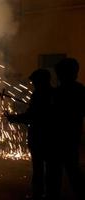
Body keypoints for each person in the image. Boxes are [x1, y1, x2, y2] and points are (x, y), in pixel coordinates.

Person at [5, 69, 54, 200]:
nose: (33, 83)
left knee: (39, 169)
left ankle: (38, 194)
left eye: (35, 81)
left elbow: (32, 116)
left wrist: (13, 118)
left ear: (41, 81)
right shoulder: (54, 93)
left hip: (40, 137)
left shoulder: (39, 95)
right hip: (51, 137)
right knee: (51, 169)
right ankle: (51, 194)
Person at [52, 58, 85, 199]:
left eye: (59, 73)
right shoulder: (80, 90)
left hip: (61, 138)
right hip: (72, 137)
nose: (57, 75)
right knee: (71, 171)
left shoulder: (59, 93)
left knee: (57, 174)